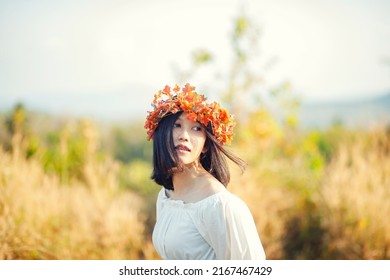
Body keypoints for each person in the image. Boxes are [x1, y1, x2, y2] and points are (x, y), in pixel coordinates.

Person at [144, 83, 266, 260]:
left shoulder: (220, 206)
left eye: (196, 128)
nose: (184, 136)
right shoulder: (166, 196)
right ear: (161, 134)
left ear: (205, 146)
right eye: (177, 125)